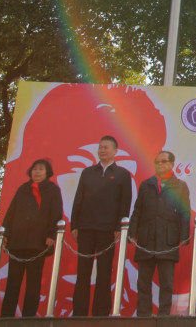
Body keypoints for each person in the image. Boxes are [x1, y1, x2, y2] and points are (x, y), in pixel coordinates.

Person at [70, 134, 133, 316]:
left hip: (108, 230)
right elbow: (78, 199)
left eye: (106, 147)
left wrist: (119, 227)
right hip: (86, 228)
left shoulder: (122, 174)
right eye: (100, 147)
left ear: (115, 151)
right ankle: (79, 312)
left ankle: (101, 312)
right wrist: (75, 225)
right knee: (83, 272)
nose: (102, 150)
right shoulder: (87, 172)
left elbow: (125, 203)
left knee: (104, 272)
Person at [129, 150, 190, 317]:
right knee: (143, 282)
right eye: (157, 162)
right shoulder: (146, 184)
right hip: (146, 239)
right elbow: (137, 211)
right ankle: (143, 314)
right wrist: (132, 233)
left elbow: (185, 213)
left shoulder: (180, 186)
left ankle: (164, 316)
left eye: (164, 161)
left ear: (172, 164)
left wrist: (184, 236)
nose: (160, 164)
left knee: (167, 283)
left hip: (168, 239)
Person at [0, 159, 63, 317]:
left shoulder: (53, 190)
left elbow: (56, 214)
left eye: (41, 169)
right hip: (17, 242)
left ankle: (29, 316)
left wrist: (51, 234)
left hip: (38, 242)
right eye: (34, 169)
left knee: (33, 282)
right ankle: (6, 316)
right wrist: (6, 233)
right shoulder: (23, 189)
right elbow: (11, 212)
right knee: (13, 281)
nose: (37, 172)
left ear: (47, 172)